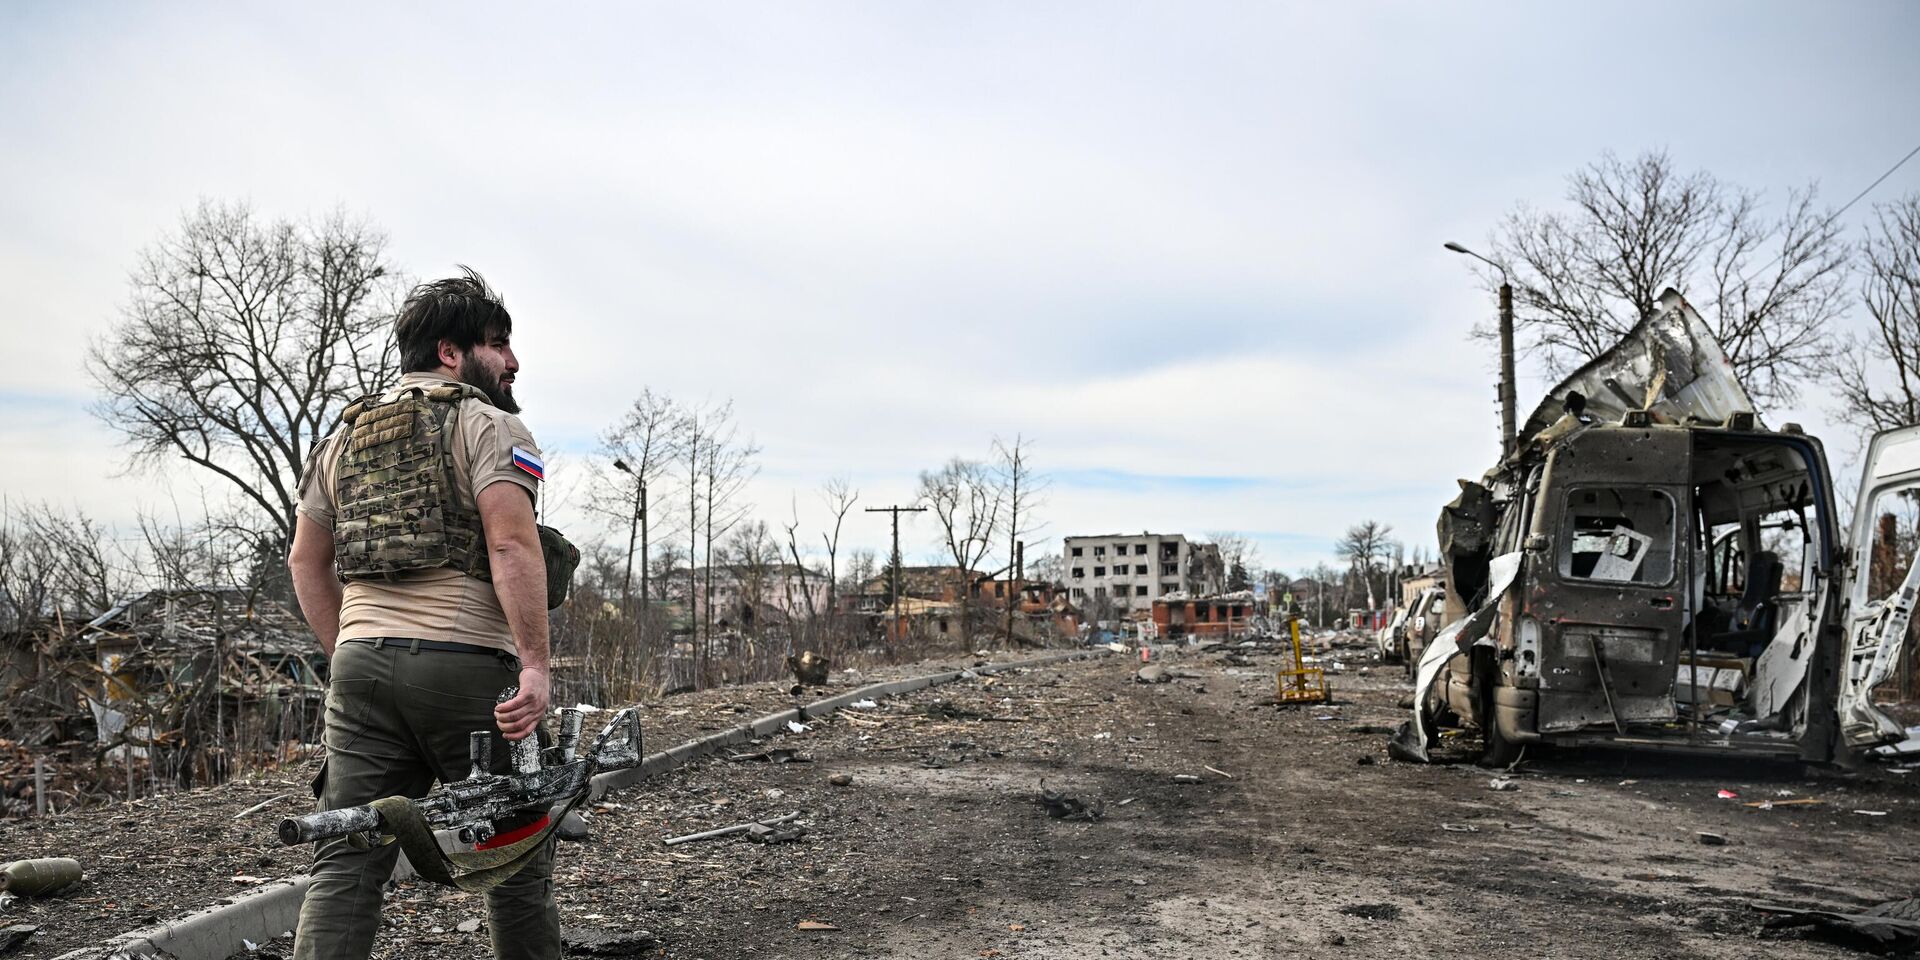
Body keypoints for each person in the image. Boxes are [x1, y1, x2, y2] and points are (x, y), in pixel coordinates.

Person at [287, 267, 557, 960]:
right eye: (498, 344)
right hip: (466, 671)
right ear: (450, 352)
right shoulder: (492, 425)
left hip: (361, 670)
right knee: (514, 853)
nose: (512, 360)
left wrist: (347, 652)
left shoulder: (341, 440)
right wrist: (534, 666)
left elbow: (305, 562)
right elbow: (510, 542)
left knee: (347, 857)